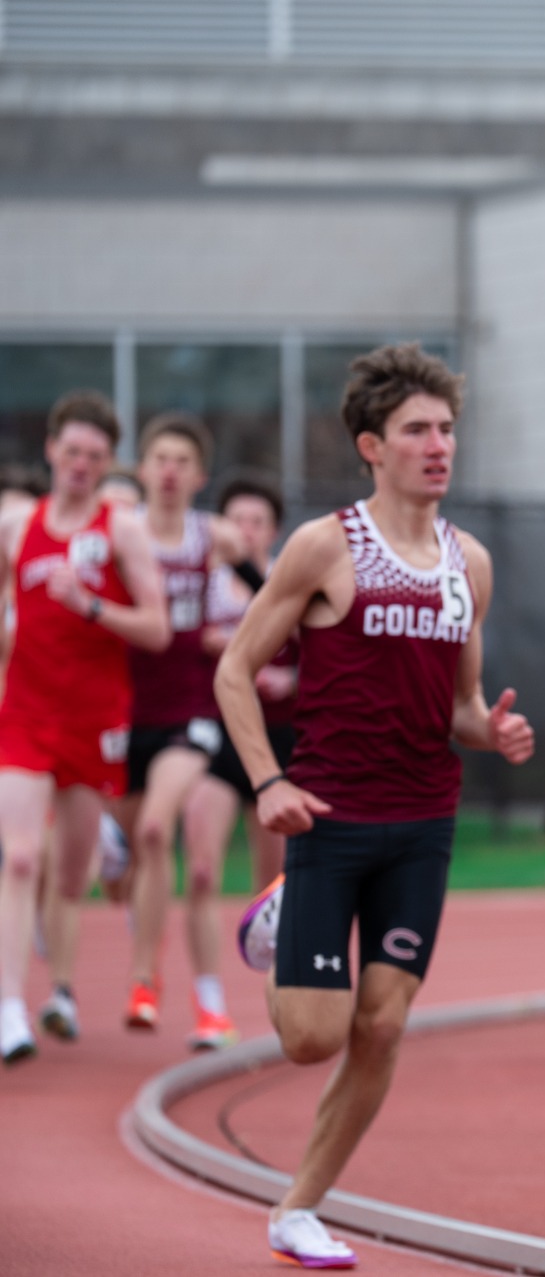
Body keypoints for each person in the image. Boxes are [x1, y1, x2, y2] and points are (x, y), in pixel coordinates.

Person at [220, 343, 533, 1268]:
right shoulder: (325, 545)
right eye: (416, 430)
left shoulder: (469, 562)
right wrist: (268, 782)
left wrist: (492, 731)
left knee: (385, 1023)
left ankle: (297, 1207)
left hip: (423, 820)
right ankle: (285, 914)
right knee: (312, 1038)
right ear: (372, 445)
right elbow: (235, 669)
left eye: (447, 429)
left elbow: (462, 706)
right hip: (330, 815)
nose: (438, 446)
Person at [0, 392, 169, 1064]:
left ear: (106, 462)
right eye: (71, 451)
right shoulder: (17, 525)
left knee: (71, 876)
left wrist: (91, 604)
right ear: (51, 450)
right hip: (25, 713)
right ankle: (10, 1008)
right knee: (19, 857)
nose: (80, 464)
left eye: (94, 455)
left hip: (95, 718)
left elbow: (156, 628)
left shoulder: (121, 530)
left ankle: (62, 991)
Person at [115, 413, 251, 1046]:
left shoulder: (213, 536)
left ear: (199, 476)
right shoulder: (119, 531)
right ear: (142, 469)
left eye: (182, 462)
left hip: (190, 713)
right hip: (123, 716)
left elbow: (272, 588)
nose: (169, 471)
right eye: (160, 459)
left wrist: (246, 635)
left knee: (158, 833)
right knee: (131, 861)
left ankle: (150, 982)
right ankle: (149, 959)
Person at [204, 472, 298, 895]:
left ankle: (272, 940)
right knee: (202, 871)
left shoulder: (290, 581)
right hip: (217, 733)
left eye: (257, 522)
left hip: (277, 735)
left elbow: (320, 650)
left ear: (274, 531)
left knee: (273, 879)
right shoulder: (205, 584)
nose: (245, 531)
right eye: (236, 520)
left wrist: (289, 678)